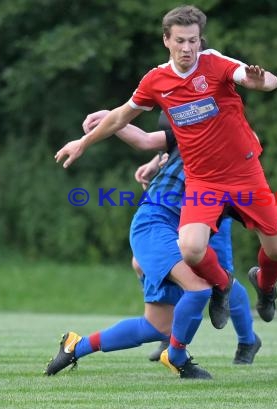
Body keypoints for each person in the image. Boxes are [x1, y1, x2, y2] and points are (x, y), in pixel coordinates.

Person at [54, 4, 277, 377]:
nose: (187, 48)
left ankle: (264, 289)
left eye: (193, 40)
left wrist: (260, 80)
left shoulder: (214, 64)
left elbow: (260, 79)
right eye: (180, 41)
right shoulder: (158, 85)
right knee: (193, 253)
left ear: (200, 41)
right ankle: (208, 326)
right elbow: (123, 119)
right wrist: (83, 142)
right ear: (166, 41)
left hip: (244, 177)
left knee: (276, 249)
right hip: (203, 184)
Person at [45, 115, 262, 380]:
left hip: (179, 234)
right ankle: (180, 356)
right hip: (158, 228)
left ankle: (75, 346)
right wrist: (109, 122)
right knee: (205, 286)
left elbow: (275, 225)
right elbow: (144, 139)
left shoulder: (230, 162)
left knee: (156, 326)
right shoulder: (193, 143)